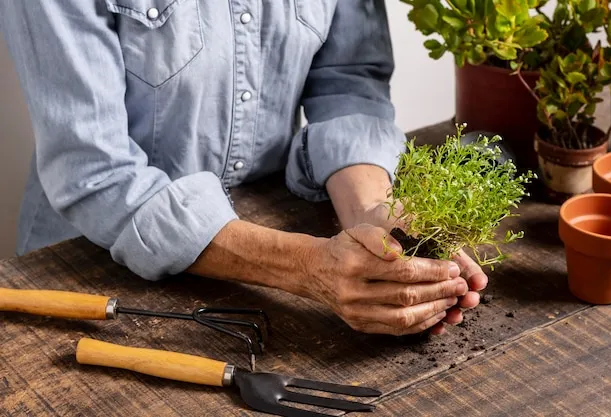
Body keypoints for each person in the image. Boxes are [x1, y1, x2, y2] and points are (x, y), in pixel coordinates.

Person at [0, 0, 487, 336]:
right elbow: (95, 172)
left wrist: (372, 213)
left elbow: (348, 82)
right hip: (83, 272)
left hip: (266, 224)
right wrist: (310, 268)